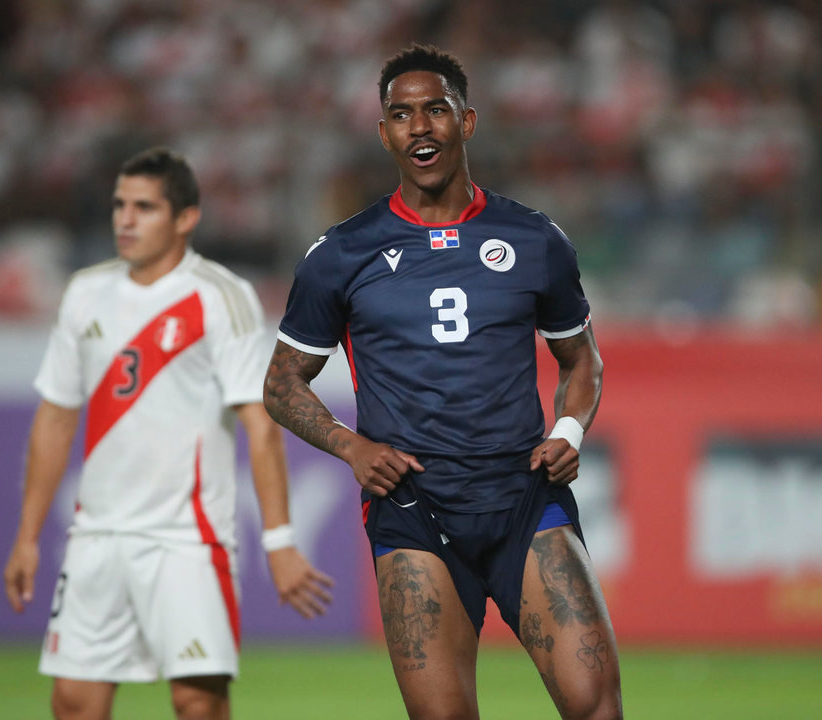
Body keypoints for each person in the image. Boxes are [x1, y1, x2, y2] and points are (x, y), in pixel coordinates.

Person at [263, 45, 622, 720]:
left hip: (523, 498)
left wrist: (569, 429)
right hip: (414, 510)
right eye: (402, 115)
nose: (419, 127)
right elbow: (282, 384)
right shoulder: (341, 254)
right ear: (383, 132)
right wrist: (351, 447)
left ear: (468, 121)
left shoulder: (535, 239)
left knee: (597, 707)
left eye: (436, 110)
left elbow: (582, 360)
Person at [4, 146, 333, 720]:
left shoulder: (218, 295)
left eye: (144, 207)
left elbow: (260, 425)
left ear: (185, 218)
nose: (125, 220)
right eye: (119, 205)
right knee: (74, 704)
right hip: (97, 537)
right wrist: (28, 535)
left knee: (197, 704)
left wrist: (278, 543)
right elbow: (55, 418)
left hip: (187, 540)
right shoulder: (85, 292)